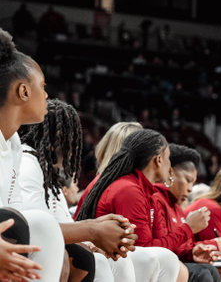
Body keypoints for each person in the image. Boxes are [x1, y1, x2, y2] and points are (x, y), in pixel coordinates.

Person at [19, 99, 138, 281]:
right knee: (93, 260)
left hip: (51, 245)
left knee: (115, 260)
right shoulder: (27, 163)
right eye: (73, 139)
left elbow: (63, 223)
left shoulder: (47, 172)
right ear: (55, 141)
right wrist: (94, 232)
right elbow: (39, 229)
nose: (76, 148)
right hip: (29, 248)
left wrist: (95, 234)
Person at [75, 129, 190, 282]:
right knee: (169, 262)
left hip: (116, 262)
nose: (170, 168)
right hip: (107, 262)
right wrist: (188, 228)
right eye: (168, 158)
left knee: (173, 262)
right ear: (159, 160)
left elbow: (160, 241)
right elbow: (145, 249)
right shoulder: (129, 190)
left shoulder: (146, 190)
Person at [0, 28, 66, 281]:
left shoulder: (14, 142)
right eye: (43, 86)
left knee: (34, 223)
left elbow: (15, 214)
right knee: (40, 223)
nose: (47, 95)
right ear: (23, 91)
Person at [151, 144, 221, 282]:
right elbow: (159, 249)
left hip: (174, 263)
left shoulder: (177, 208)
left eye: (193, 182)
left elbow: (180, 247)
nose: (190, 188)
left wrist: (193, 252)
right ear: (170, 173)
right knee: (202, 273)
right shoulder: (155, 199)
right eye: (188, 180)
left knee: (213, 271)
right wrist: (189, 228)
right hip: (160, 267)